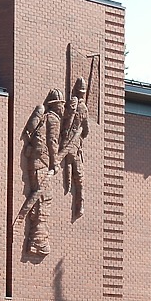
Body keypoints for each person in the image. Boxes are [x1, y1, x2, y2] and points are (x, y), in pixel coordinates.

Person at [20, 89, 64, 255]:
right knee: (44, 198)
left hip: (36, 162)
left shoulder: (43, 118)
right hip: (43, 163)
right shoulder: (52, 119)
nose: (62, 109)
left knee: (40, 197)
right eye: (61, 105)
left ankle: (38, 237)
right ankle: (37, 239)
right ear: (56, 106)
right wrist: (55, 162)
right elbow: (52, 142)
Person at [59, 77, 90, 217]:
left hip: (69, 143)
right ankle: (80, 203)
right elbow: (86, 130)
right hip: (74, 145)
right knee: (79, 176)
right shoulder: (82, 107)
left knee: (76, 174)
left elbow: (66, 122)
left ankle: (80, 203)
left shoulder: (72, 104)